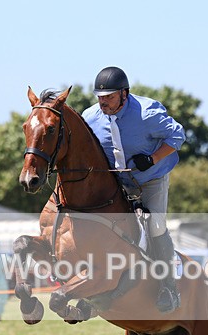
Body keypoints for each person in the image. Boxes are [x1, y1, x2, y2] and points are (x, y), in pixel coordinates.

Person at [82, 66, 186, 313]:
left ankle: (168, 286)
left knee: (155, 225)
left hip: (151, 178)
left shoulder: (147, 113)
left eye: (108, 97)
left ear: (124, 93)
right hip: (115, 182)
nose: (103, 102)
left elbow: (178, 135)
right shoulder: (90, 116)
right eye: (99, 96)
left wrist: (152, 158)